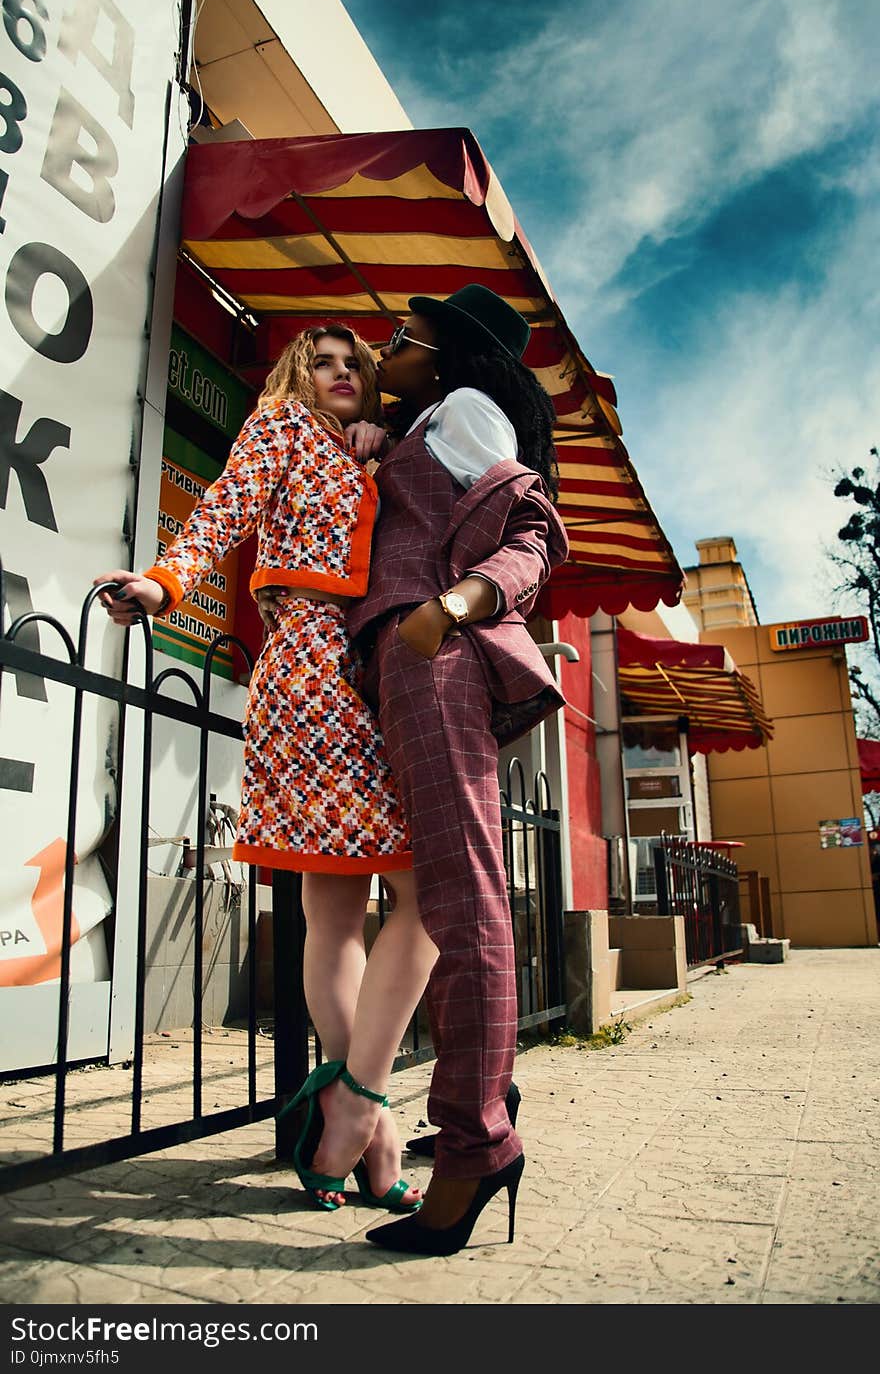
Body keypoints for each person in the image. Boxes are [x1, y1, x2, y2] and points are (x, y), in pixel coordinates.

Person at [94, 324, 439, 1214]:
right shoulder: (279, 426)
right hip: (310, 664)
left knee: (379, 906)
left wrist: (379, 448)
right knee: (368, 903)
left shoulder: (378, 447)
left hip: (374, 663)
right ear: (296, 374)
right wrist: (165, 585)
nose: (338, 376)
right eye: (320, 363)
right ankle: (371, 1115)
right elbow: (222, 510)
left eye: (352, 366)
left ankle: (350, 1105)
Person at [258, 284, 569, 1255]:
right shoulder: (411, 431)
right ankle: (453, 1122)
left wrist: (461, 601)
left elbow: (537, 528)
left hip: (429, 655)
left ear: (444, 360)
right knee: (447, 897)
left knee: (461, 898)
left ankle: (476, 1141)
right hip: (400, 664)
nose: (387, 353)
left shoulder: (462, 412)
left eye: (403, 341)